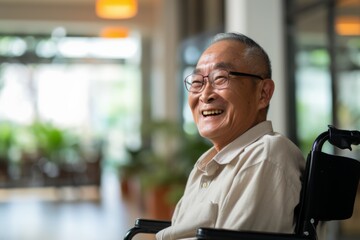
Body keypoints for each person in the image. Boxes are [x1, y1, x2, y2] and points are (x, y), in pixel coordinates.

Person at [156, 32, 305, 240]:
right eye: (198, 82)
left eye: (220, 78)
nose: (205, 95)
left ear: (263, 93)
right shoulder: (206, 165)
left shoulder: (265, 155)